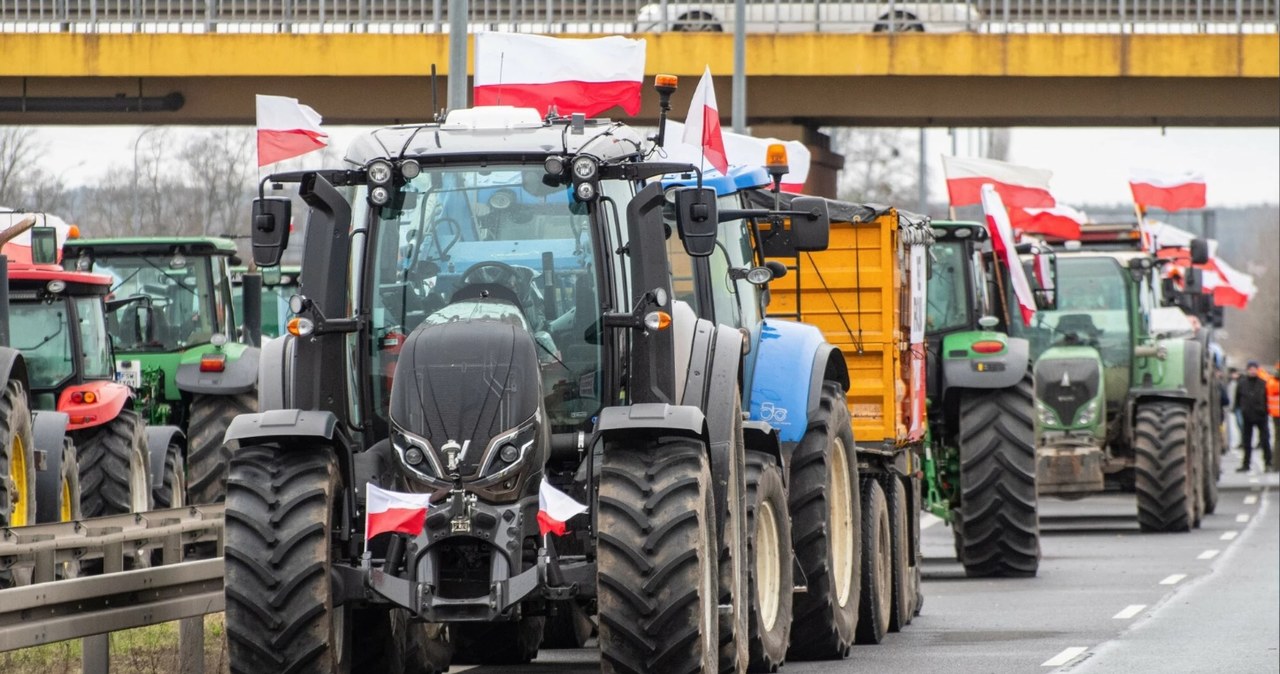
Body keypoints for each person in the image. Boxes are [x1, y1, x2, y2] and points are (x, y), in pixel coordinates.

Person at [1235, 361, 1272, 472]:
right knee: (1247, 442)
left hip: (1261, 415)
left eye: (1254, 369)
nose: (1252, 371)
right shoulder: (1242, 383)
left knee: (1265, 440)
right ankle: (1246, 464)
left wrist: (1265, 410)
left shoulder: (1263, 383)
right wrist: (1240, 409)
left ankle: (1268, 463)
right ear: (1247, 370)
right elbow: (1238, 398)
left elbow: (1267, 398)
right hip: (1247, 416)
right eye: (1250, 369)